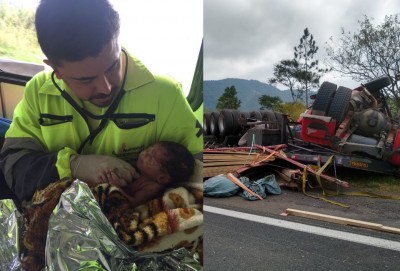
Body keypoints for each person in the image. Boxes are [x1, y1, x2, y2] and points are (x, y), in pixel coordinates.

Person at [0, 0, 202, 202]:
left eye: (113, 66)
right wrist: (73, 166)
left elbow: (200, 165)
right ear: (55, 69)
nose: (105, 87)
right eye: (86, 79)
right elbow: (14, 164)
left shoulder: (165, 94)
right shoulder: (38, 92)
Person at [123, 141, 195, 208]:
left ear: (162, 178)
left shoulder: (152, 188)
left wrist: (115, 187)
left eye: (150, 158)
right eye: (147, 149)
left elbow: (133, 203)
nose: (142, 153)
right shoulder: (141, 172)